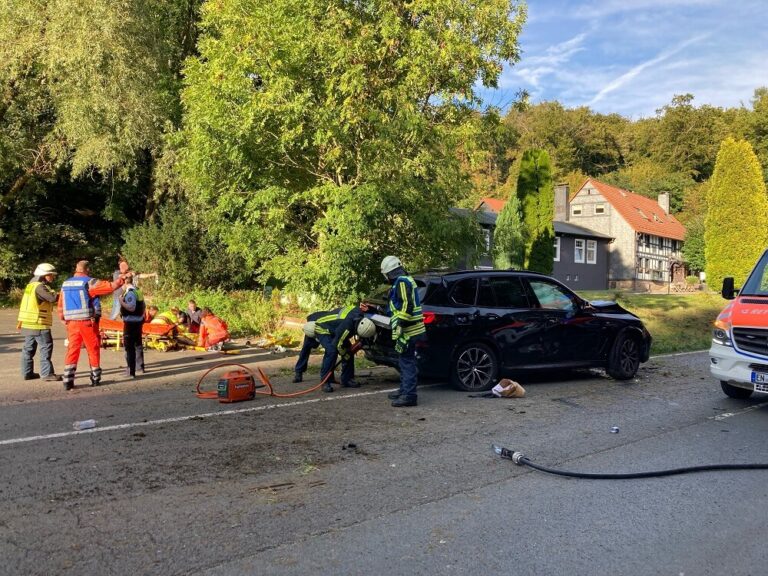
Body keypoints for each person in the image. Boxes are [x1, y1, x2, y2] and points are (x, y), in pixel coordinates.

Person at [58, 260, 125, 390]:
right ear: (87, 269)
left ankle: (68, 380)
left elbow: (61, 304)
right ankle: (95, 378)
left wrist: (63, 318)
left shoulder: (66, 283)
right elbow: (109, 287)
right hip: (87, 322)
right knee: (92, 349)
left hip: (71, 323)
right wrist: (121, 280)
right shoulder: (89, 282)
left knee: (72, 350)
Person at [381, 256, 425, 407]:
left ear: (389, 272)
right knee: (404, 360)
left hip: (408, 329)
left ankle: (409, 396)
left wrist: (400, 323)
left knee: (407, 362)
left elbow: (407, 304)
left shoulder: (402, 282)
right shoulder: (405, 280)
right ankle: (404, 390)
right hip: (410, 329)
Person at [296, 306, 366, 393]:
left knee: (347, 350)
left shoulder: (357, 318)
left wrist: (347, 353)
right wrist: (345, 354)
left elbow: (339, 339)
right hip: (323, 328)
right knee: (331, 351)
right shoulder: (346, 324)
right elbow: (338, 344)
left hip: (334, 329)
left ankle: (347, 379)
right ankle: (324, 381)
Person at [17, 263, 61, 381]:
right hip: (39, 323)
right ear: (44, 275)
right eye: (51, 275)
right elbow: (52, 298)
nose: (53, 277)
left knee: (28, 349)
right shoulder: (39, 287)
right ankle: (47, 374)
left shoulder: (30, 286)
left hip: (27, 322)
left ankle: (27, 373)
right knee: (45, 347)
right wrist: (61, 293)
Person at [118, 275, 146, 378]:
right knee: (138, 345)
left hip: (130, 323)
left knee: (129, 347)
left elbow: (131, 307)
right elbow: (143, 306)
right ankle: (140, 367)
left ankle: (131, 371)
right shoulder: (138, 291)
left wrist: (121, 301)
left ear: (125, 283)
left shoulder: (130, 293)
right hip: (138, 322)